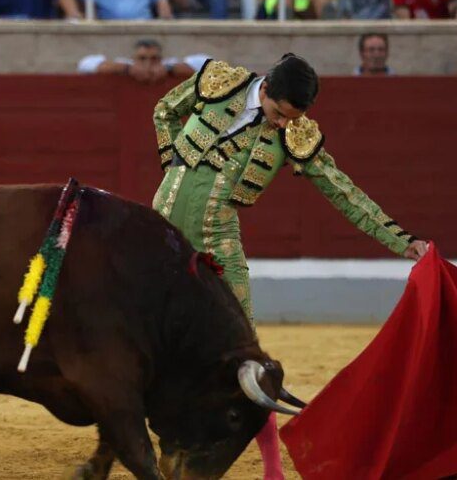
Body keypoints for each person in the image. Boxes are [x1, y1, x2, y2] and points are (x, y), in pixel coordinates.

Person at [151, 55, 428, 479]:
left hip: (219, 248)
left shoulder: (295, 134)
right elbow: (164, 110)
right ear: (264, 90)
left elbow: (343, 191)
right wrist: (173, 166)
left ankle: (273, 470)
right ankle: (165, 441)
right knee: (152, 345)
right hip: (163, 239)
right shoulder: (217, 81)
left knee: (248, 364)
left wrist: (402, 240)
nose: (282, 125)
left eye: (290, 119)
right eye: (279, 114)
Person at [77, 39, 209, 84]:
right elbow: (84, 64)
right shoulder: (124, 64)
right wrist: (127, 69)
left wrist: (169, 69)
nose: (148, 64)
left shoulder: (169, 64)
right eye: (142, 58)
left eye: (154, 59)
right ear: (134, 58)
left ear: (161, 59)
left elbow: (210, 64)